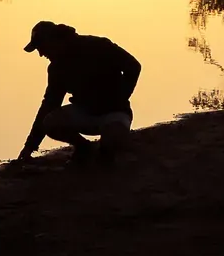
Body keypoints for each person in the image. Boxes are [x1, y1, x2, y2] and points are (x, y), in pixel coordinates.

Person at [16, 21, 142, 162]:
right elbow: (49, 104)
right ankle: (84, 147)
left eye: (42, 48)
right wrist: (30, 146)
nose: (41, 54)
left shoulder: (99, 45)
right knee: (50, 122)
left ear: (54, 40)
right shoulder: (56, 68)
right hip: (84, 112)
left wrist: (121, 97)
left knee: (111, 145)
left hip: (115, 112)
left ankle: (106, 148)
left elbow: (133, 66)